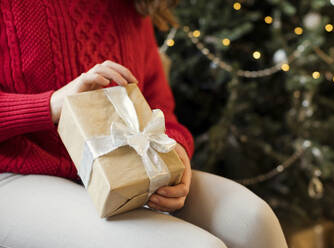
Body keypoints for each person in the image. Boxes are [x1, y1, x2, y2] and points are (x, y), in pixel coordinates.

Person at [0, 0, 288, 247]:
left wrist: (175, 152)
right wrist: (50, 105)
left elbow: (158, 105)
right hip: (14, 172)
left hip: (117, 170)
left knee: (254, 220)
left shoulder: (133, 6)